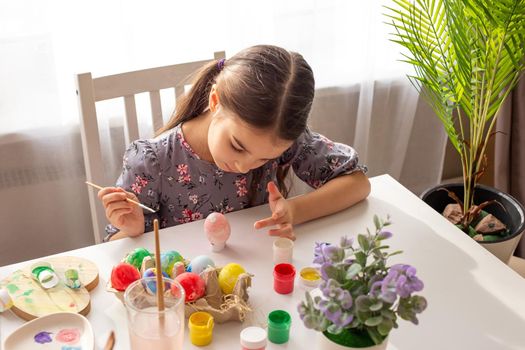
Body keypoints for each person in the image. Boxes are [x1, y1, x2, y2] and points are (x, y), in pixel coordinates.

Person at [97, 45, 370, 242]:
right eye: (238, 146)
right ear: (215, 101)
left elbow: (357, 184)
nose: (243, 167)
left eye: (263, 159)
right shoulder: (151, 161)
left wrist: (295, 210)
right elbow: (114, 251)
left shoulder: (279, 137)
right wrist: (132, 229)